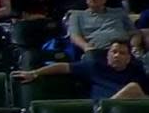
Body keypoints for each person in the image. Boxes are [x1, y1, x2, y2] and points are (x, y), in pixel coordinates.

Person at [11, 40, 149, 100]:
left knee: (134, 89)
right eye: (114, 52)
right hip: (101, 110)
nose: (117, 55)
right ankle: (106, 108)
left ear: (129, 58)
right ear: (107, 54)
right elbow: (64, 67)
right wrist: (34, 73)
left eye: (122, 53)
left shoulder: (137, 71)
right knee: (133, 88)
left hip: (131, 111)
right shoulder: (95, 66)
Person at [68, 0, 142, 57]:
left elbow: (135, 33)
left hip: (122, 50)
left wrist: (134, 46)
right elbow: (75, 36)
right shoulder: (77, 15)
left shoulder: (118, 12)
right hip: (97, 51)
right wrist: (86, 47)